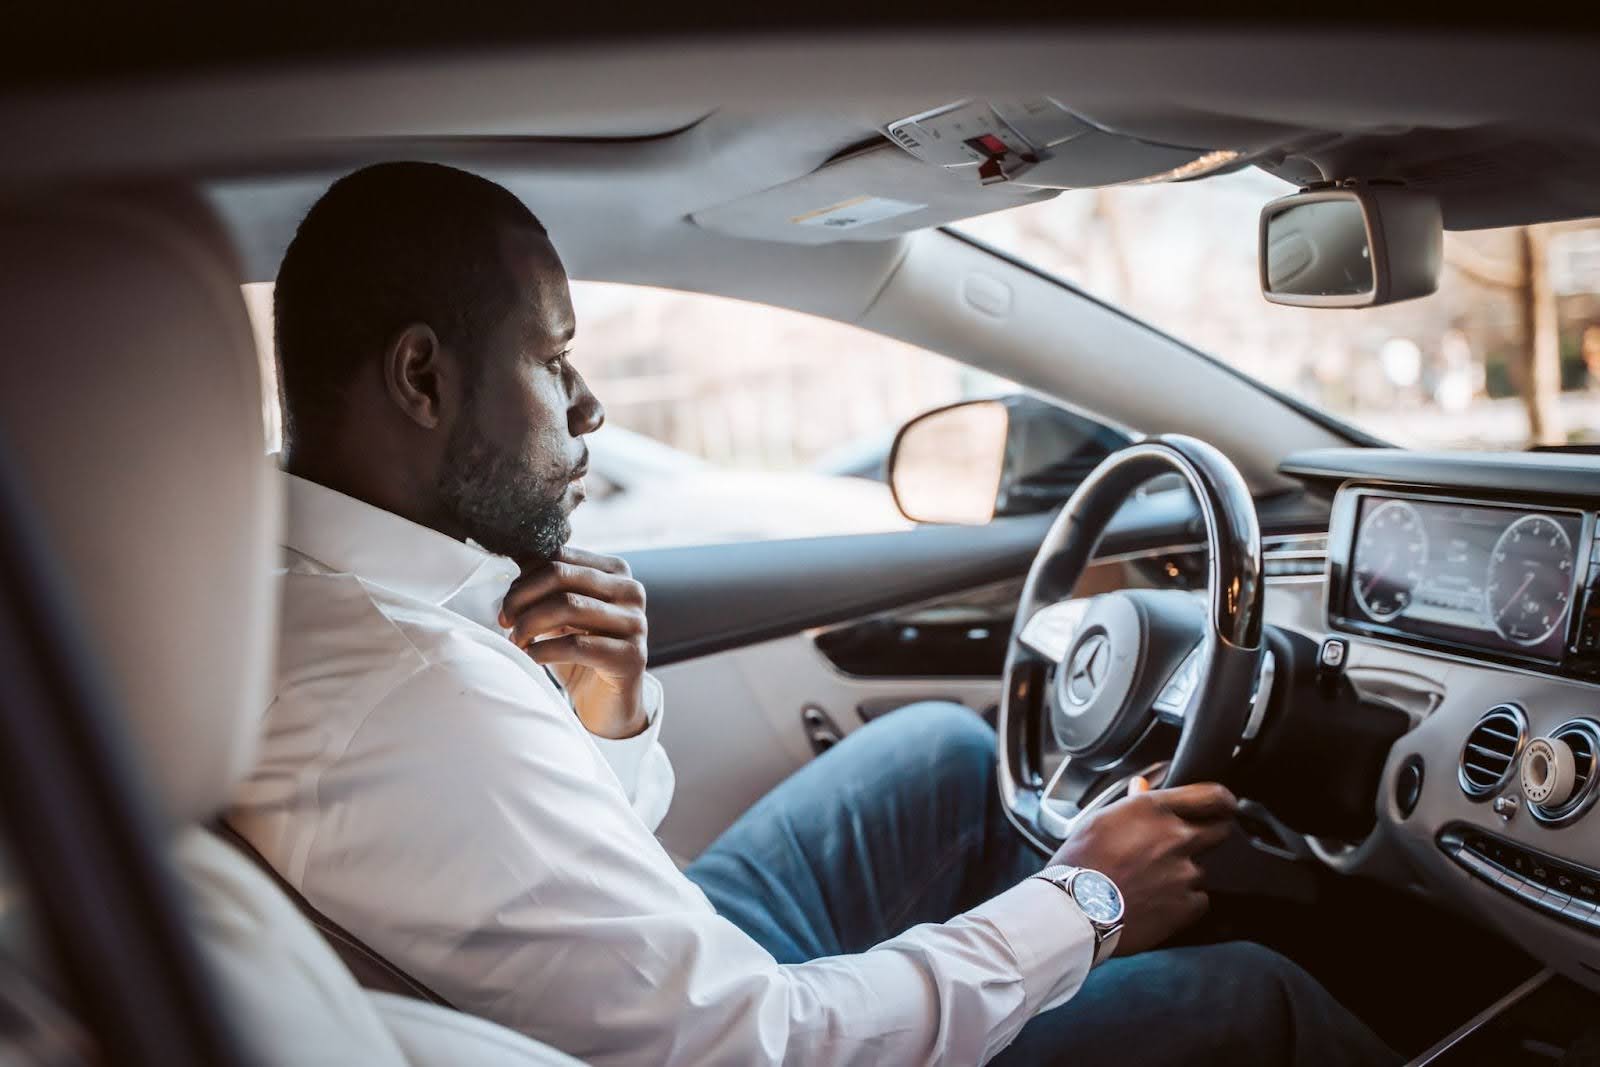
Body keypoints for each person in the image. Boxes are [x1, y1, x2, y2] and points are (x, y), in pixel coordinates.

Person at [230, 161, 1396, 1067]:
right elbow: (757, 1043)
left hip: (619, 996)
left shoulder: (309, 595)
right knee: (1253, 998)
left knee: (942, 757)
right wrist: (1085, 903)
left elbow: (561, 872)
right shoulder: (407, 684)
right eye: (553, 359)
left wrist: (611, 718)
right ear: (422, 378)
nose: (589, 407)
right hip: (728, 1039)